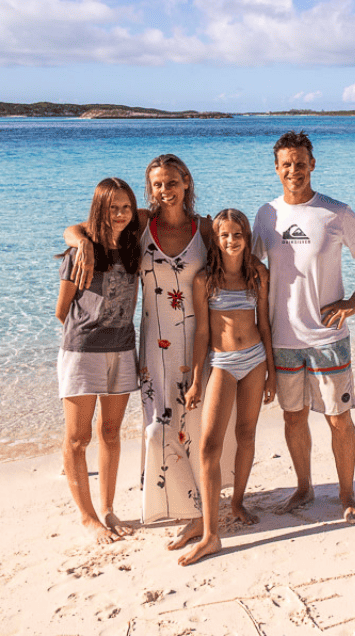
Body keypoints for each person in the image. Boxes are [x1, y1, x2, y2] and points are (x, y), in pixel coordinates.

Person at [64, 154, 223, 550]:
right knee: (158, 429)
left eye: (172, 182)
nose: (164, 190)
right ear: (149, 189)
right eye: (157, 185)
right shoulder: (138, 222)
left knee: (199, 426)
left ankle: (204, 509)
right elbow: (84, 226)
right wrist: (81, 243)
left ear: (186, 181)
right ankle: (178, 505)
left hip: (199, 340)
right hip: (153, 342)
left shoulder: (205, 227)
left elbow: (236, 265)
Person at [252, 131, 355, 524]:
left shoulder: (336, 213)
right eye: (286, 164)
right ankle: (304, 487)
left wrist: (354, 302)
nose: (294, 170)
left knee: (338, 419)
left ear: (313, 164)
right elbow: (248, 264)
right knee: (293, 416)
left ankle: (347, 494)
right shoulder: (267, 214)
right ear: (276, 169)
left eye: (301, 162)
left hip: (328, 338)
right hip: (283, 338)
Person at [177, 209, 276, 565]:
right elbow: (202, 333)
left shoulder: (258, 274)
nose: (231, 241)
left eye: (238, 235)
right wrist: (195, 382)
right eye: (224, 236)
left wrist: (273, 373)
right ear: (215, 240)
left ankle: (236, 503)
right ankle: (210, 533)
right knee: (208, 447)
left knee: (246, 434)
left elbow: (264, 325)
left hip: (255, 361)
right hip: (222, 363)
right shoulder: (205, 280)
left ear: (247, 237)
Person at [56, 177, 140, 544]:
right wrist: (80, 241)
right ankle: (88, 518)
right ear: (99, 209)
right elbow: (63, 310)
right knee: (78, 438)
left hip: (123, 349)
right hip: (83, 350)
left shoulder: (135, 245)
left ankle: (107, 508)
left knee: (110, 432)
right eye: (112, 208)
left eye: (125, 207)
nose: (120, 214)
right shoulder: (82, 250)